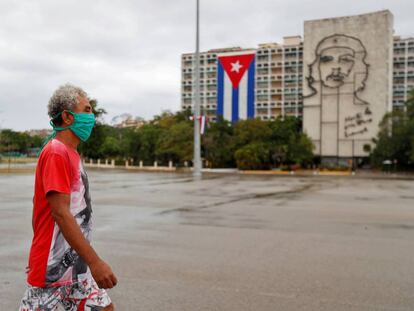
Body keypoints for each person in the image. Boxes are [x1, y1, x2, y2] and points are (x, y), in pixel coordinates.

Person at [19, 84, 117, 311]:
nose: (92, 117)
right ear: (67, 116)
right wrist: (95, 262)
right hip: (55, 267)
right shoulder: (56, 152)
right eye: (87, 109)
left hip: (73, 262)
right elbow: (60, 212)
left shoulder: (70, 152)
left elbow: (41, 207)